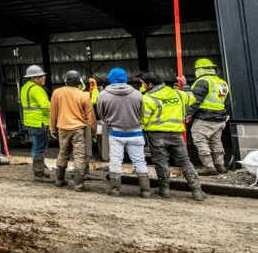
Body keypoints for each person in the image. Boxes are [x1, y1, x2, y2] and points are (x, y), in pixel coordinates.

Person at [141, 72, 204, 201]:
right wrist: (185, 85)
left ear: (150, 84)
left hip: (156, 135)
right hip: (176, 134)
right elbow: (192, 98)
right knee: (185, 161)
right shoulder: (178, 94)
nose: (142, 86)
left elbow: (144, 119)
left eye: (143, 83)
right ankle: (196, 190)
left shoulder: (147, 98)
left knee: (161, 162)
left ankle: (165, 189)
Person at [97, 68, 151, 198]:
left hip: (116, 133)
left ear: (110, 78)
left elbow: (101, 114)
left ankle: (115, 190)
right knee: (140, 161)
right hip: (136, 133)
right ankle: (146, 191)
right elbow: (141, 112)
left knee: (115, 161)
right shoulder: (138, 94)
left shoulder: (103, 95)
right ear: (125, 78)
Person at [49, 70, 96, 191]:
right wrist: (93, 132)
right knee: (79, 156)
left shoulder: (57, 93)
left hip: (63, 128)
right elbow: (90, 117)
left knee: (63, 153)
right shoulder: (84, 95)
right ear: (79, 81)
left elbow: (53, 112)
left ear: (66, 81)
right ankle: (78, 185)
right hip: (79, 130)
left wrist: (52, 128)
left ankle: (59, 181)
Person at [185, 58, 230, 175]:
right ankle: (220, 166)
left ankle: (209, 167)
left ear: (200, 70)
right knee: (216, 142)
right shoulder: (221, 82)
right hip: (220, 118)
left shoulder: (203, 81)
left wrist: (187, 113)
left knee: (201, 141)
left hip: (205, 118)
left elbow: (195, 101)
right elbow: (225, 100)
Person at [20, 65, 51, 181]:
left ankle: (40, 170)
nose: (43, 78)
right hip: (39, 122)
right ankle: (39, 174)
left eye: (43, 76)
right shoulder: (37, 89)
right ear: (33, 78)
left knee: (36, 146)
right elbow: (46, 106)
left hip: (29, 122)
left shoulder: (25, 87)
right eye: (40, 76)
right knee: (39, 147)